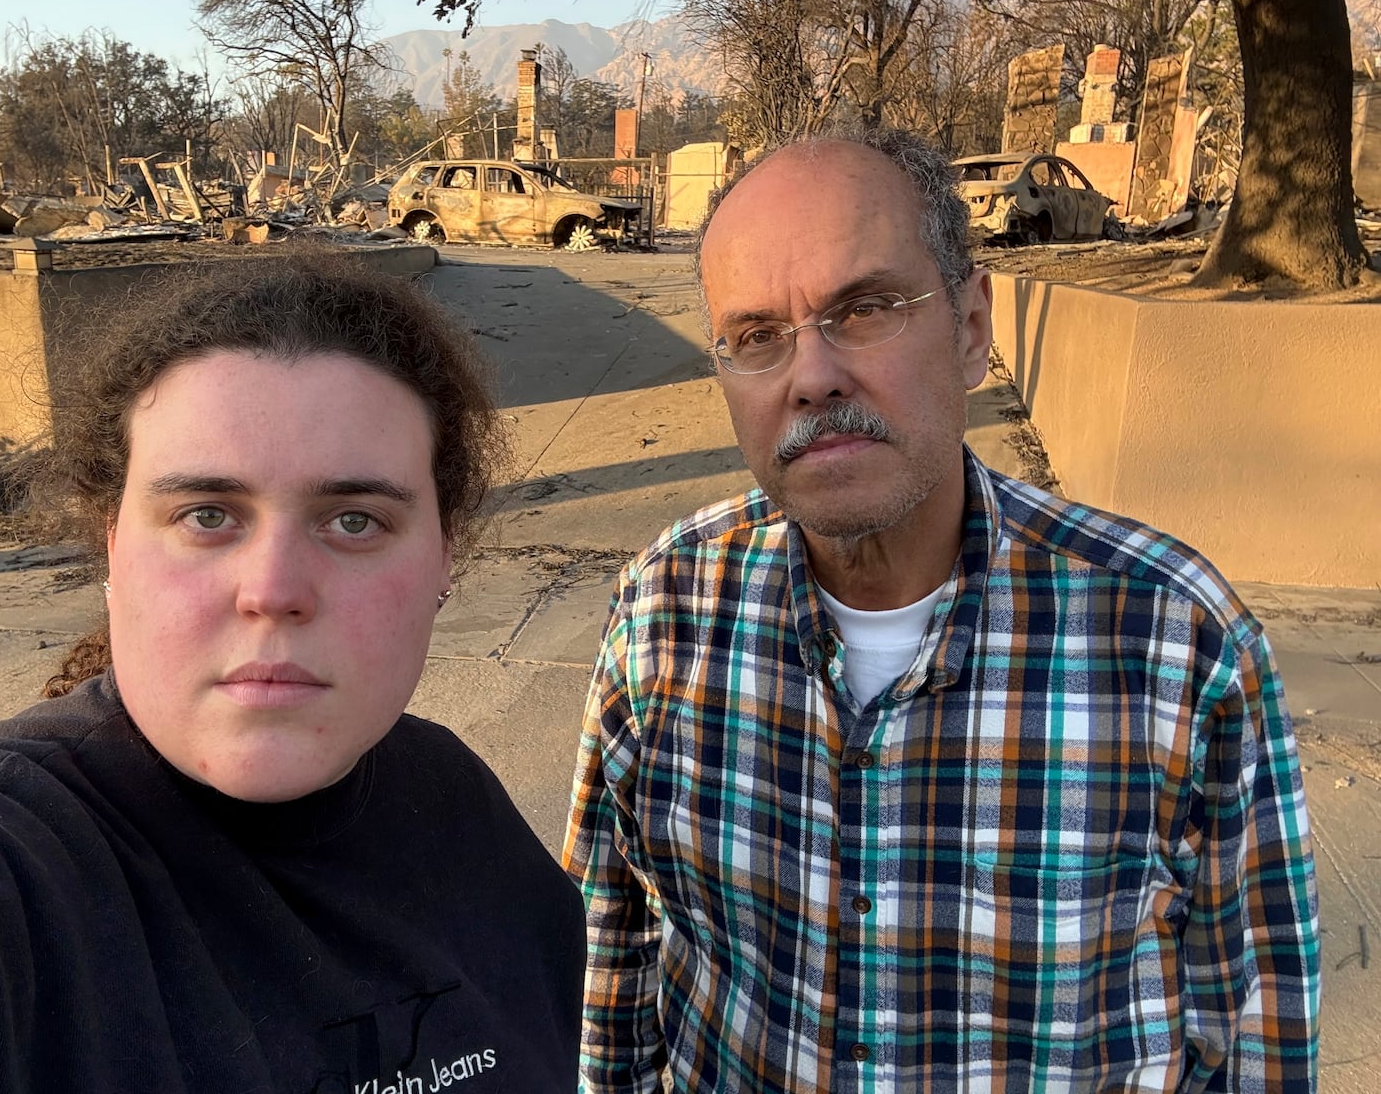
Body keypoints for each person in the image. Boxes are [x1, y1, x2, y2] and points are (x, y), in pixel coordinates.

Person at [562, 128, 1319, 1092]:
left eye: (867, 308)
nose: (811, 375)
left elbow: (1254, 1027)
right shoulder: (667, 612)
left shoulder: (1172, 643)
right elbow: (607, 962)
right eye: (756, 337)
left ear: (970, 329)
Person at [0, 255, 585, 1092]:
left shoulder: (455, 804)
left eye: (354, 519)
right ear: (114, 546)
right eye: (206, 516)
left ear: (444, 556)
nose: (272, 591)